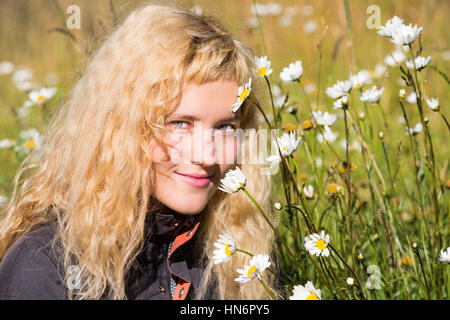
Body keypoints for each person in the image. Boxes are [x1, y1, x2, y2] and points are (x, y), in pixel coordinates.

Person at [0, 1, 280, 300]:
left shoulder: (238, 257)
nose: (208, 156)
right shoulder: (45, 268)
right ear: (120, 128)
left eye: (225, 127)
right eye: (180, 124)